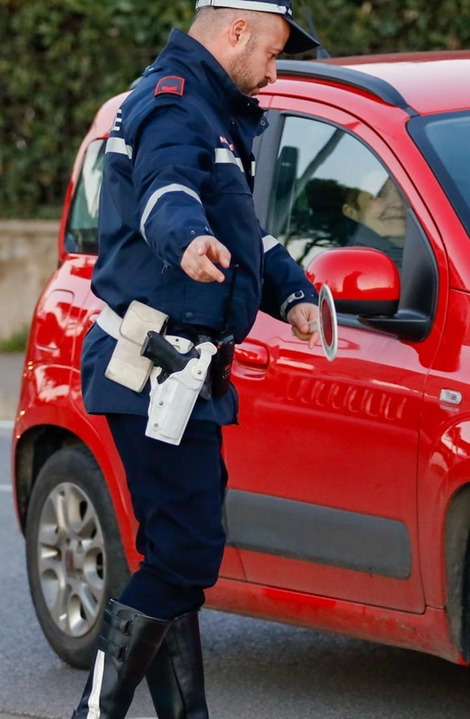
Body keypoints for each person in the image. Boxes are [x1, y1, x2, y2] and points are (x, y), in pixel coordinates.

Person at [72, 2, 321, 717]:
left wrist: (296, 293)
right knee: (188, 555)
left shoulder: (216, 111)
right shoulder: (173, 104)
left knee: (173, 555)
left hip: (183, 373)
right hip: (148, 367)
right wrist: (183, 240)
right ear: (236, 32)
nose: (273, 73)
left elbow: (246, 234)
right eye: (272, 54)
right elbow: (165, 193)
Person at [344, 178, 407, 267]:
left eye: (403, 193)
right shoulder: (350, 265)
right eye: (379, 194)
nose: (398, 203)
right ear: (352, 212)